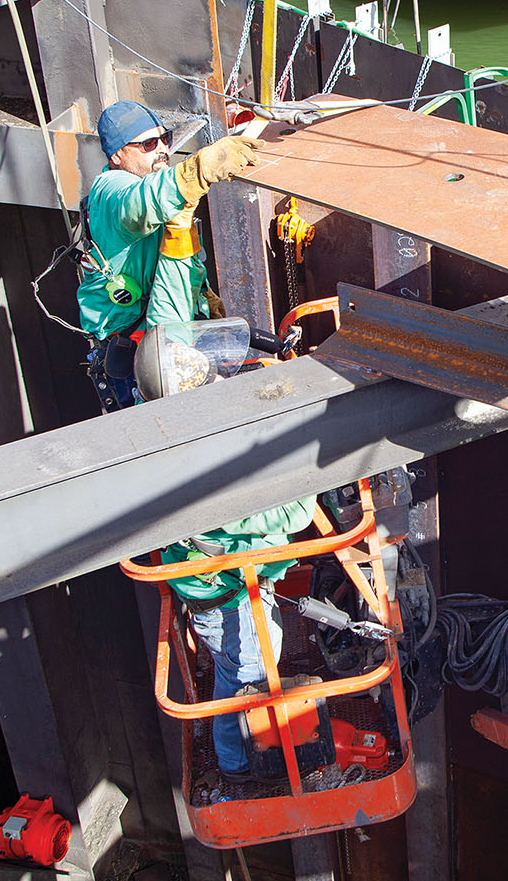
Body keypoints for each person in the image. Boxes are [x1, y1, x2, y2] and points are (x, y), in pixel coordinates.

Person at [133, 318, 318, 785]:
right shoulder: (197, 479)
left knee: (241, 668)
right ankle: (237, 768)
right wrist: (312, 469)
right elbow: (293, 515)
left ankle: (234, 759)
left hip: (223, 584)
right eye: (199, 377)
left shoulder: (166, 427)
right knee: (245, 678)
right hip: (228, 595)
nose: (214, 379)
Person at [78, 100, 264, 411]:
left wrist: (201, 298)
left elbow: (171, 258)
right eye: (148, 144)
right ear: (117, 155)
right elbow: (140, 205)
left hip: (167, 340)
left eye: (165, 139)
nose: (161, 150)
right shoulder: (112, 191)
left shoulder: (154, 189)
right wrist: (197, 170)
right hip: (141, 360)